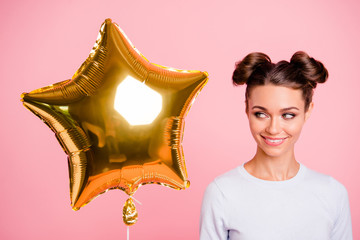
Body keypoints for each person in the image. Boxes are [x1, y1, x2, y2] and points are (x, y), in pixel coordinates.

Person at [199, 51, 353, 240]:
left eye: (288, 115)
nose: (273, 129)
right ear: (247, 108)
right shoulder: (222, 193)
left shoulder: (332, 193)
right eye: (261, 114)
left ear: (307, 111)